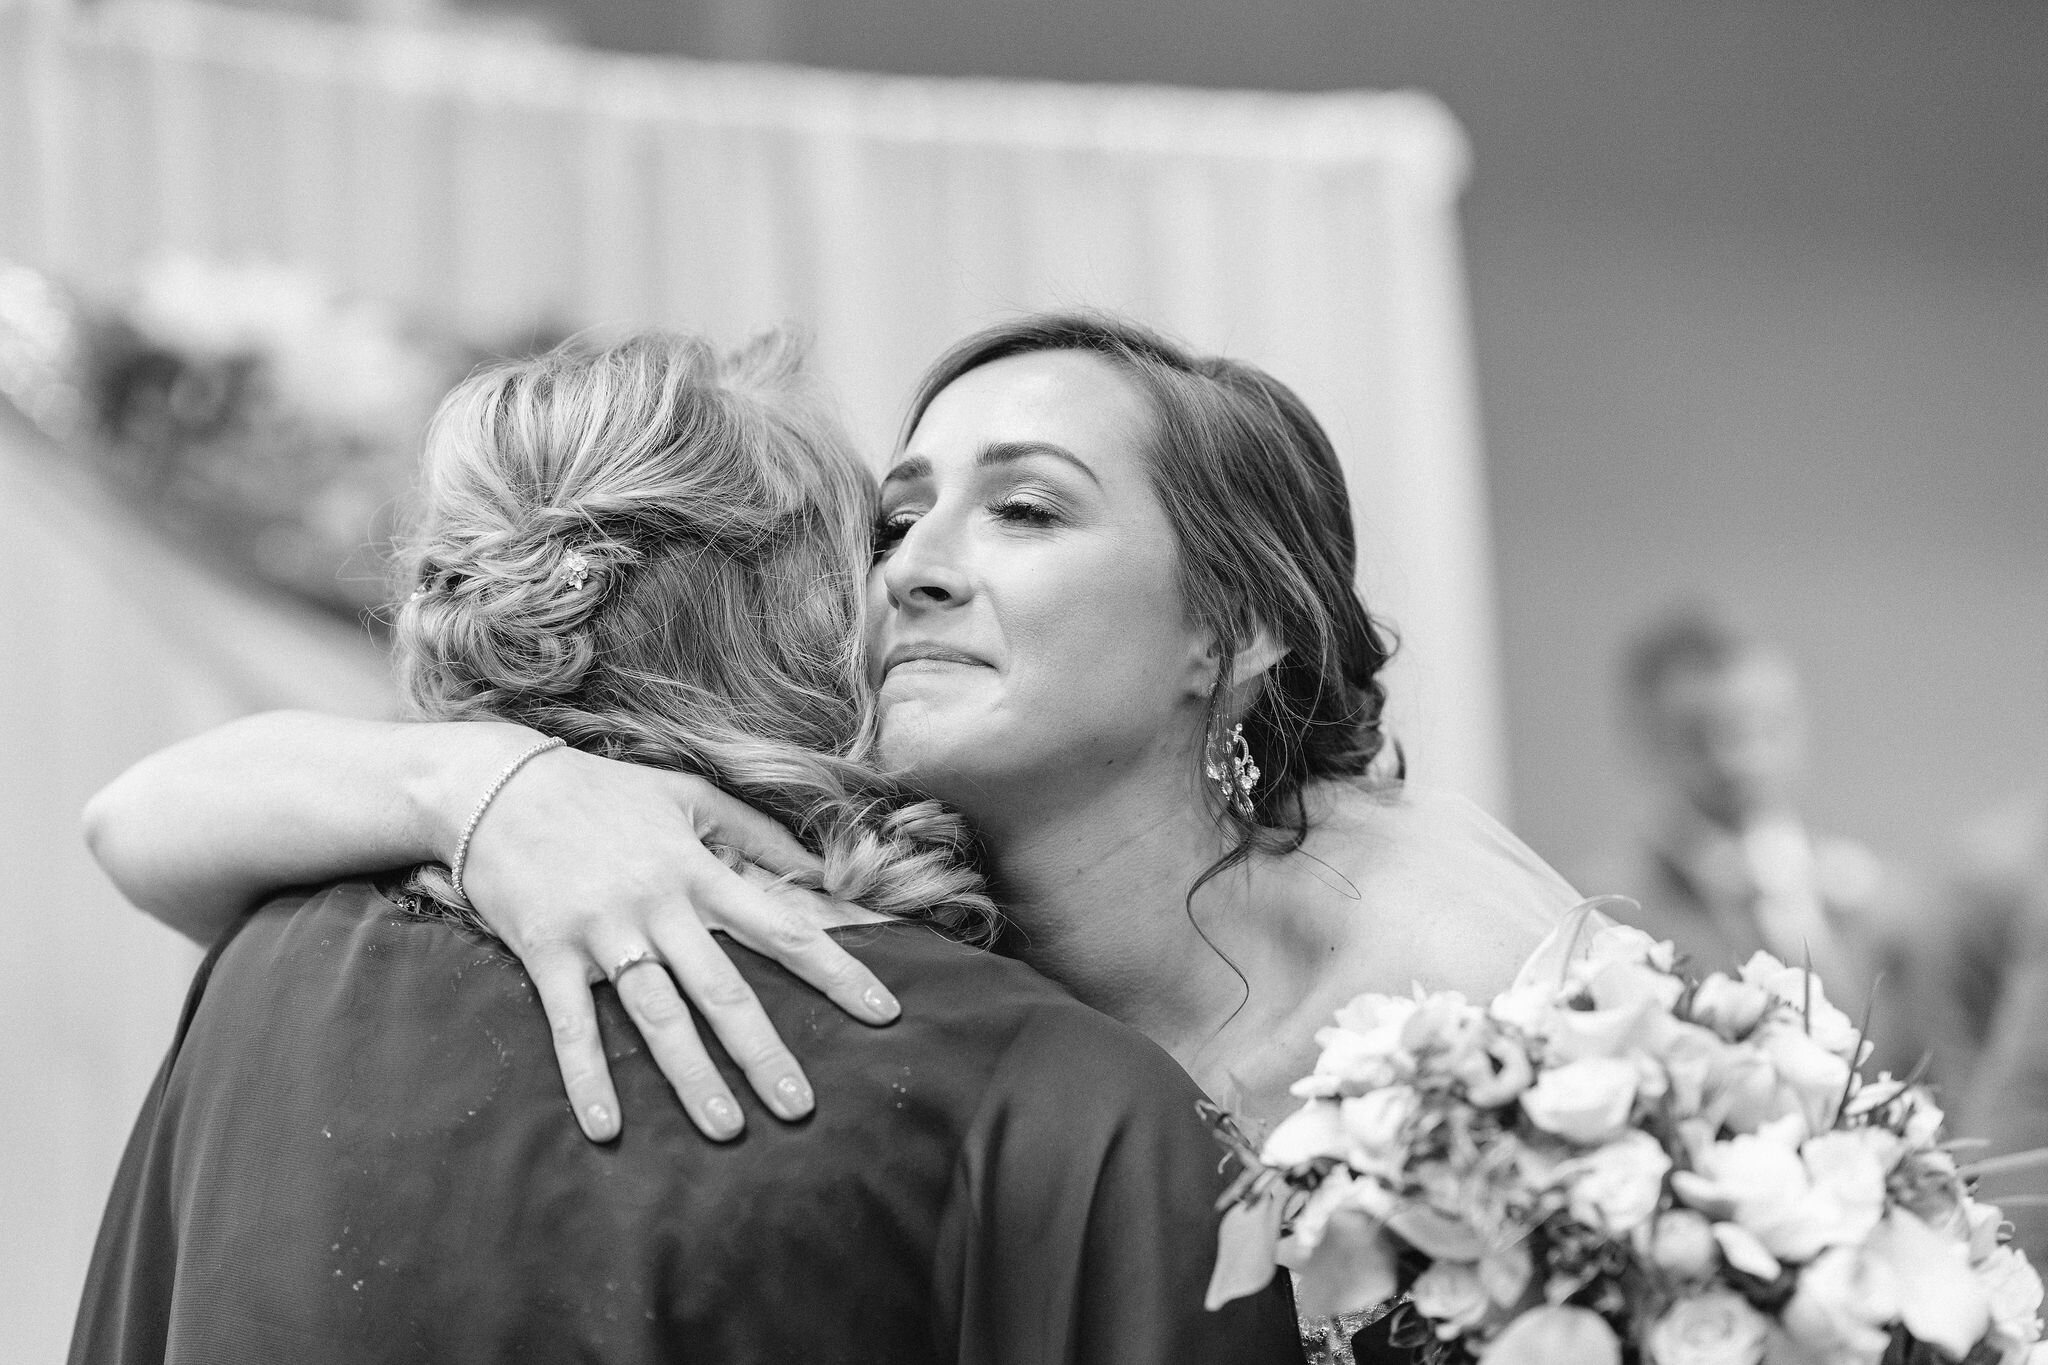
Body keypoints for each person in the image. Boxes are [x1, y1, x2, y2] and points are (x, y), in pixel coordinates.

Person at [86, 313, 1581, 1360]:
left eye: (1028, 514)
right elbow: (141, 820)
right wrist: (480, 789)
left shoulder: (1438, 963)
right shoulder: (770, 905)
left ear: (1229, 631)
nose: (916, 572)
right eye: (895, 519)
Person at [1585, 606, 1928, 1076]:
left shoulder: (1880, 896)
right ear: (1651, 739)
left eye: (1767, 729)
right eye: (1702, 738)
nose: (1742, 760)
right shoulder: (1610, 908)